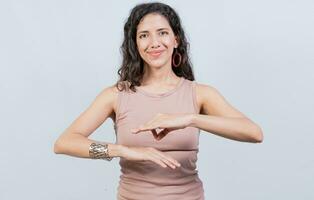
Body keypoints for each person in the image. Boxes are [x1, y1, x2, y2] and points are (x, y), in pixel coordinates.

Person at [54, 2, 263, 200]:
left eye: (162, 33)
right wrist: (121, 150)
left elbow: (254, 133)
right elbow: (64, 143)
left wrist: (190, 119)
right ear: (135, 44)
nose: (154, 43)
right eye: (144, 35)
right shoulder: (116, 95)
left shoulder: (200, 94)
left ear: (176, 40)